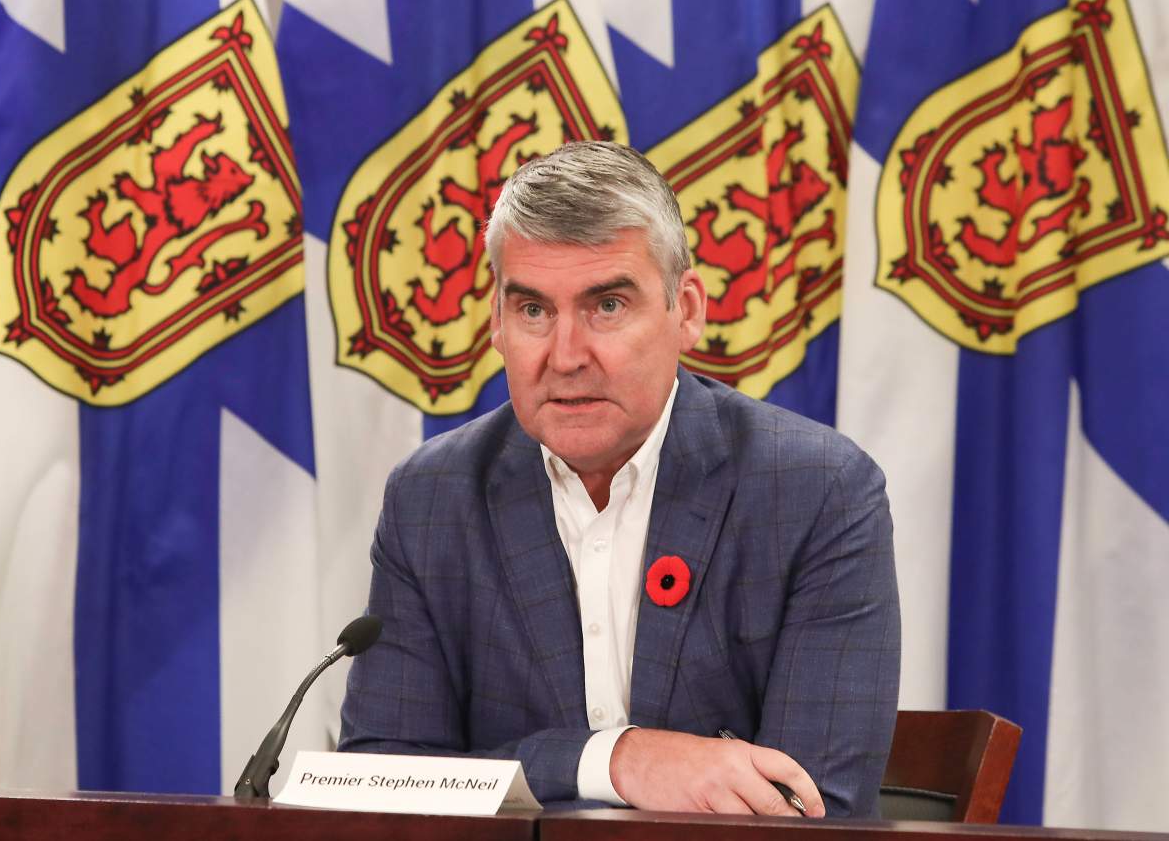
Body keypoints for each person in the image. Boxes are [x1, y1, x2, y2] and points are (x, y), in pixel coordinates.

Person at [339, 141, 900, 817]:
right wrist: (616, 760)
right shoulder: (432, 497)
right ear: (495, 320)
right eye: (534, 311)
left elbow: (816, 810)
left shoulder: (819, 491)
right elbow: (379, 785)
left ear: (686, 309)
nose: (566, 356)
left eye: (606, 305)